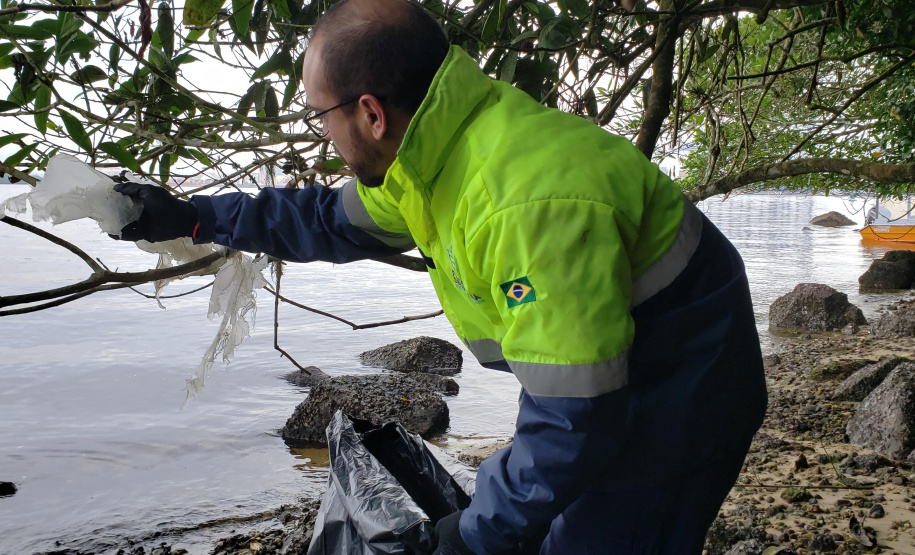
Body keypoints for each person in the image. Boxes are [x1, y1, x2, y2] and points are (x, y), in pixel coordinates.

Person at [113, 0, 768, 552]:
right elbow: (324, 218)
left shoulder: (523, 202)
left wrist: (470, 533)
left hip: (686, 390)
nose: (324, 139)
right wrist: (191, 217)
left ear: (370, 113)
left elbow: (577, 418)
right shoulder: (431, 156)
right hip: (621, 366)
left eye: (321, 117)